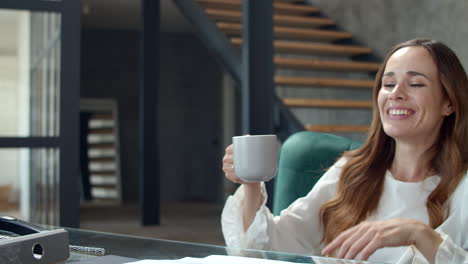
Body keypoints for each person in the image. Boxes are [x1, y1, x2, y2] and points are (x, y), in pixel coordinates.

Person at [221, 39, 468, 264]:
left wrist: (419, 234)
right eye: (388, 83)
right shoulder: (350, 172)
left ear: (449, 103)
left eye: (415, 84)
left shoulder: (463, 187)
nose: (396, 94)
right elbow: (265, 249)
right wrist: (251, 183)